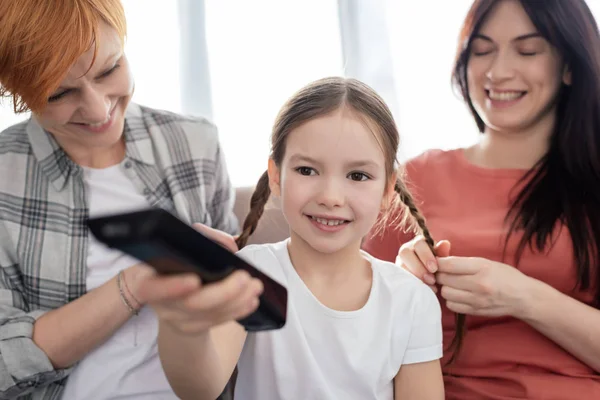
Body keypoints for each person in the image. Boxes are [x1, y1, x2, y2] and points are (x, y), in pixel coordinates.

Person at [138, 77, 445, 400]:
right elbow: (200, 389)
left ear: (386, 190)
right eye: (307, 171)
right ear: (276, 177)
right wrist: (182, 322)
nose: (330, 196)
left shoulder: (411, 300)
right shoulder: (250, 275)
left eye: (357, 176)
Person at [0, 0, 238, 398]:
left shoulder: (195, 144)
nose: (98, 110)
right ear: (16, 90)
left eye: (110, 69)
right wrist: (137, 283)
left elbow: (235, 317)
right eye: (60, 93)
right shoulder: (6, 176)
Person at [363, 0, 600, 398]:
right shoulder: (416, 179)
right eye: (482, 50)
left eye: (527, 50)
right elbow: (353, 331)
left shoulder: (591, 185)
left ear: (570, 65)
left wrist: (524, 296)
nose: (498, 71)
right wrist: (398, 288)